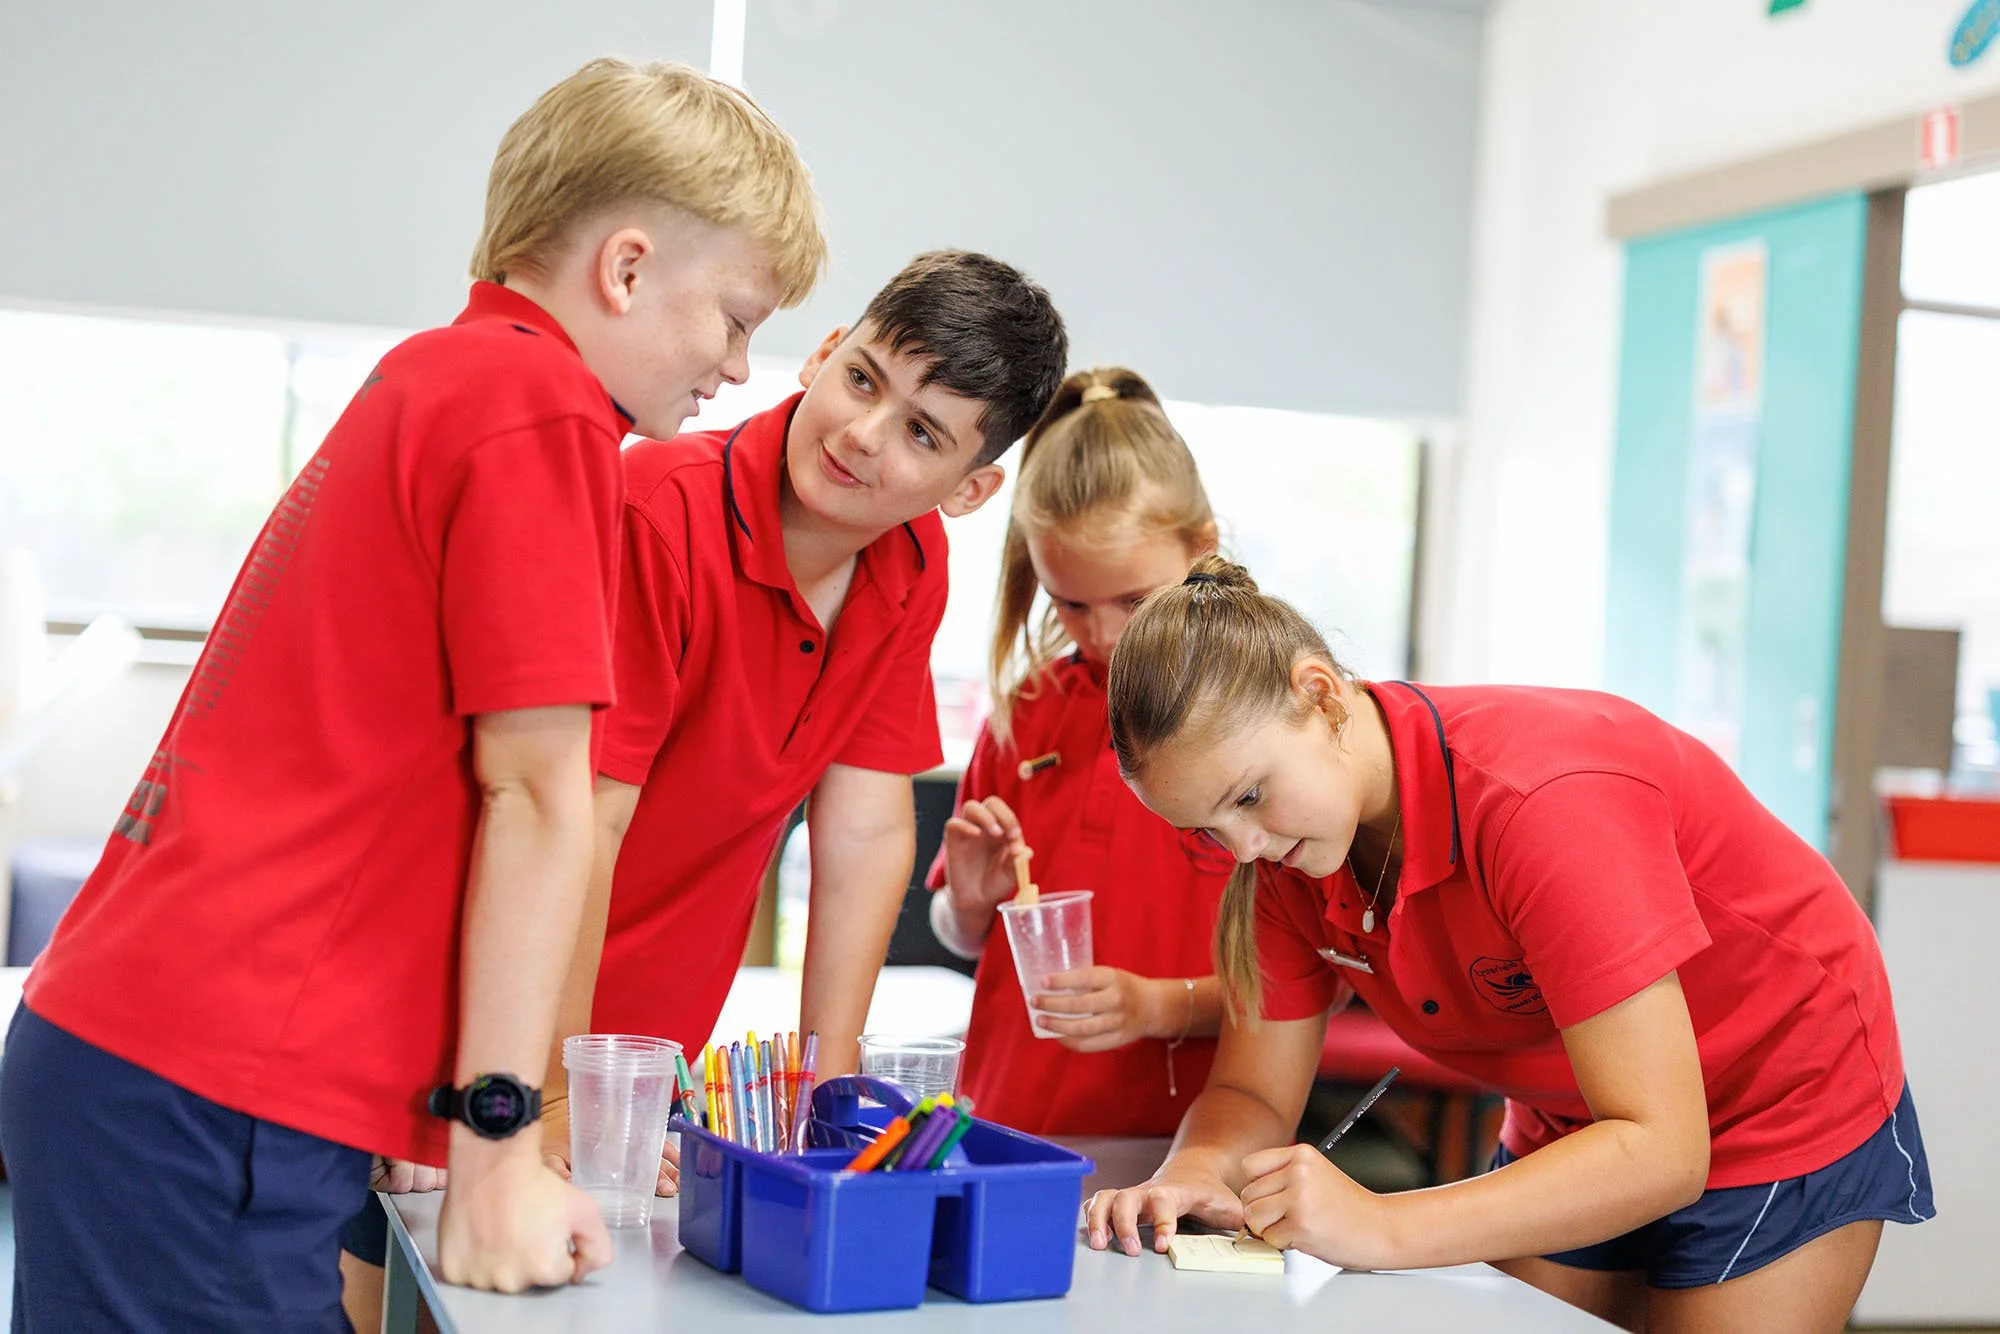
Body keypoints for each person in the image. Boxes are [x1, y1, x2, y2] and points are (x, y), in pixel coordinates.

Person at [0, 56, 825, 1331]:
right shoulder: (534, 404)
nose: (734, 367)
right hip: (206, 1082)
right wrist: (498, 1142)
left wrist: (427, 1100)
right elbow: (539, 792)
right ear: (623, 266)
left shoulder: (442, 377)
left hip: (147, 1056)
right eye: (733, 316)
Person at [1086, 555, 1933, 1334]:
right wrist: (1197, 1165)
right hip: (1584, 1111)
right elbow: (1250, 1089)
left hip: (1778, 1089)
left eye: (1252, 795)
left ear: (1323, 697)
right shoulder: (1284, 860)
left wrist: (1381, 1221)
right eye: (1206, 830)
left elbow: (1663, 1150)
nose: (1245, 850)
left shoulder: (1543, 803)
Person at [543, 250, 1069, 1164]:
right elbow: (585, 818)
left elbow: (864, 830)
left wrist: (829, 1100)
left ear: (970, 491)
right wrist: (562, 1095)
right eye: (862, 379)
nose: (864, 433)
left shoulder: (910, 563)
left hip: (647, 1057)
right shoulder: (659, 513)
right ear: (826, 351)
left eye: (922, 434)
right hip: (519, 1037)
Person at [926, 367, 1230, 1135]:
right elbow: (961, 933)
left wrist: (1158, 1006)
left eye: (1134, 600)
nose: (1102, 637)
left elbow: (1317, 985)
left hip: (1182, 1145)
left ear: (1203, 546)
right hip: (1007, 1124)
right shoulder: (1027, 712)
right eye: (1071, 604)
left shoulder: (1253, 720)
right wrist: (968, 901)